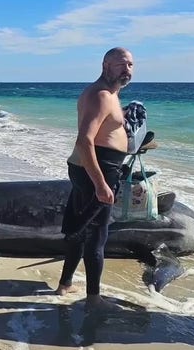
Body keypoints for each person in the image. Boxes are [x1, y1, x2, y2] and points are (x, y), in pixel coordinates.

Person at [55, 47, 134, 310]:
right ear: (106, 64)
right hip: (96, 169)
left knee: (80, 228)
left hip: (89, 166)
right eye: (122, 64)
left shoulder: (109, 93)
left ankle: (65, 283)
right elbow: (85, 140)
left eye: (131, 65)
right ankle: (93, 299)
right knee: (97, 235)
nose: (127, 70)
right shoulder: (101, 95)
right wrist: (101, 183)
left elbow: (104, 134)